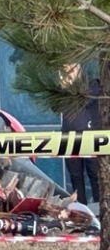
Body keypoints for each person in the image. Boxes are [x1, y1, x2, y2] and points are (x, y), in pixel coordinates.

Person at [60, 63, 100, 205]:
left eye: (72, 68)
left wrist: (72, 87)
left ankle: (100, 210)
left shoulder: (93, 83)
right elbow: (54, 106)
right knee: (75, 176)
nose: (69, 71)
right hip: (69, 136)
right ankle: (82, 210)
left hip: (89, 135)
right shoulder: (62, 87)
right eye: (66, 68)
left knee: (95, 175)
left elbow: (88, 100)